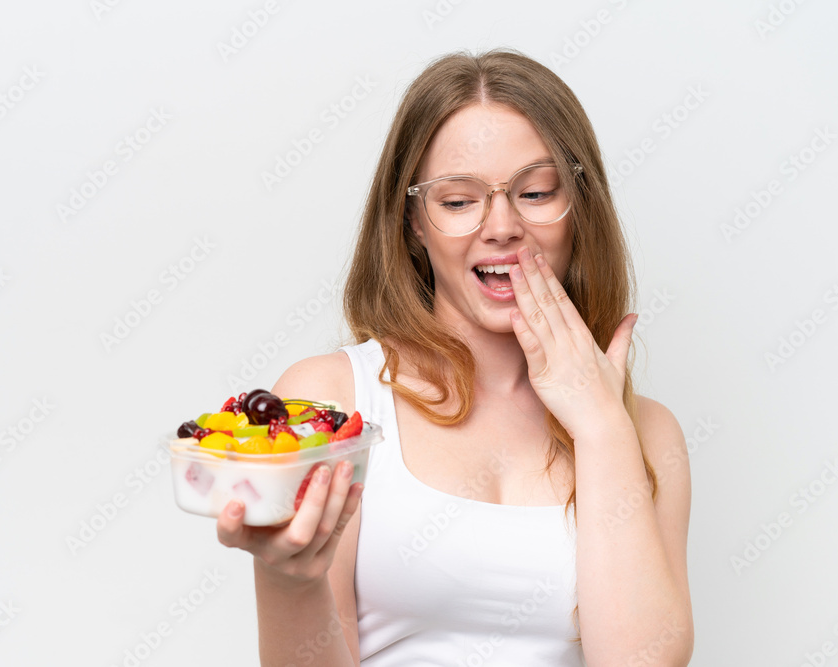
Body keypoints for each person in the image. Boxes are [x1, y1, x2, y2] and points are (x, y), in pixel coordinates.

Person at [217, 48, 694, 666]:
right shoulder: (333, 403)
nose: (501, 226)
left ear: (581, 208)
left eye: (537, 191)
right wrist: (288, 578)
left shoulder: (647, 432)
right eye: (458, 200)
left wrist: (601, 425)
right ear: (413, 220)